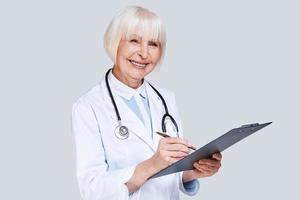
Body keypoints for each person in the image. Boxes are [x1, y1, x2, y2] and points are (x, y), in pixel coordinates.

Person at [71, 6, 222, 200]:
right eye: (134, 40)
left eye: (153, 44)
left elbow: (169, 176)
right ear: (114, 42)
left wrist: (194, 171)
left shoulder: (166, 99)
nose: (144, 53)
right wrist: (153, 164)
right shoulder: (88, 107)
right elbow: (92, 190)